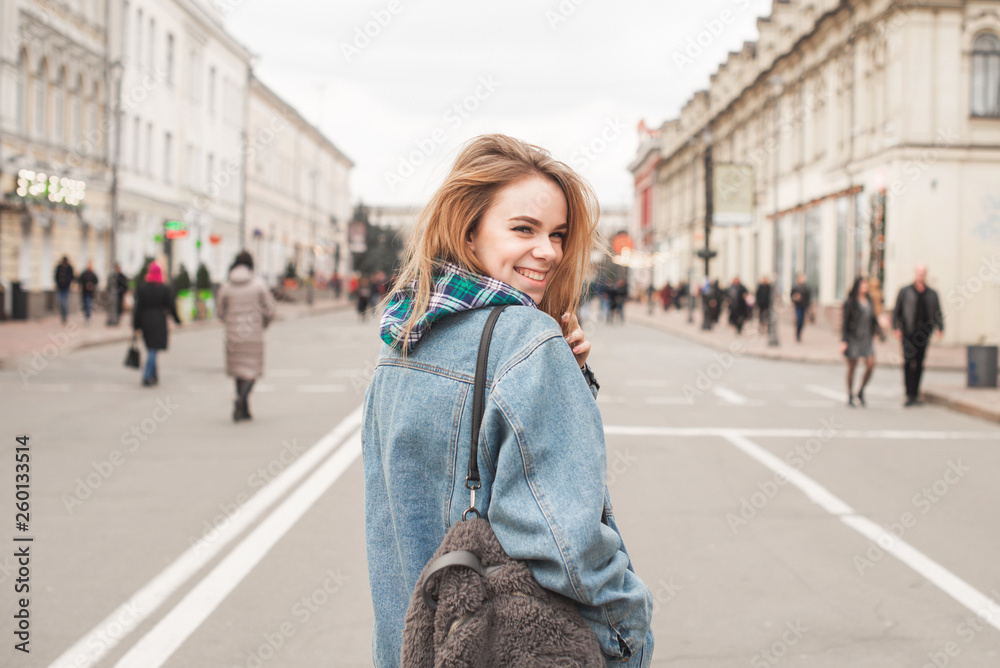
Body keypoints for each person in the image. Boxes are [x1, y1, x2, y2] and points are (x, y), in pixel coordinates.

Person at [364, 134, 654, 667]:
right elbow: (567, 549)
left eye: (559, 234)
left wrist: (572, 377)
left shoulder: (402, 341)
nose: (549, 251)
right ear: (468, 230)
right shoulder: (528, 341)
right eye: (524, 229)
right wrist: (631, 634)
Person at [218, 251, 276, 422]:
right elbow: (270, 309)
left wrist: (229, 322)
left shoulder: (226, 286)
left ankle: (244, 407)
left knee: (238, 371)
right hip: (253, 335)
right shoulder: (259, 285)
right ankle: (242, 400)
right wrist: (264, 323)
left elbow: (220, 312)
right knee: (251, 371)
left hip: (233, 335)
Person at [892, 264, 944, 406]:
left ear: (925, 274)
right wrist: (896, 327)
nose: (921, 276)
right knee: (909, 362)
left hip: (924, 333)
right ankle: (908, 394)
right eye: (919, 273)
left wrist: (940, 328)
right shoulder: (905, 291)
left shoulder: (932, 293)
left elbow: (938, 311)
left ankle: (916, 394)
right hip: (908, 332)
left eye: (923, 273)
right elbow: (897, 311)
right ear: (915, 274)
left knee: (920, 363)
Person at [132, 262, 181, 386]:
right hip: (159, 321)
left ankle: (153, 375)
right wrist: (177, 320)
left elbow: (138, 308)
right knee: (153, 349)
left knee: (151, 348)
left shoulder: (143, 288)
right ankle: (147, 376)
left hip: (146, 321)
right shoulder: (164, 289)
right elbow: (171, 306)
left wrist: (136, 325)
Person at [840, 277, 885, 407]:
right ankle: (850, 394)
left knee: (871, 364)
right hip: (853, 337)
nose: (865, 287)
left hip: (866, 338)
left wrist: (881, 333)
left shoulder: (869, 301)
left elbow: (873, 319)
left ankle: (861, 391)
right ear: (857, 286)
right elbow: (845, 323)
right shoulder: (851, 302)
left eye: (867, 285)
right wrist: (843, 341)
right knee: (852, 366)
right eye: (863, 285)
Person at [790, 273, 812, 342]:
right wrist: (795, 298)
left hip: (804, 307)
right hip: (798, 306)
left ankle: (799, 334)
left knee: (802, 322)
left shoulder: (806, 288)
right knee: (799, 320)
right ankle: (797, 334)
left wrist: (809, 308)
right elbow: (791, 297)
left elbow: (808, 298)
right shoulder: (795, 287)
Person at [54, 256, 75, 324]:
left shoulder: (69, 268)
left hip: (66, 288)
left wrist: (68, 283)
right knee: (59, 302)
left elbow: (72, 277)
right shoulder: (59, 267)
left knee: (65, 303)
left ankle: (65, 316)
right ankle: (62, 315)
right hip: (60, 288)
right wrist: (58, 283)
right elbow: (56, 276)